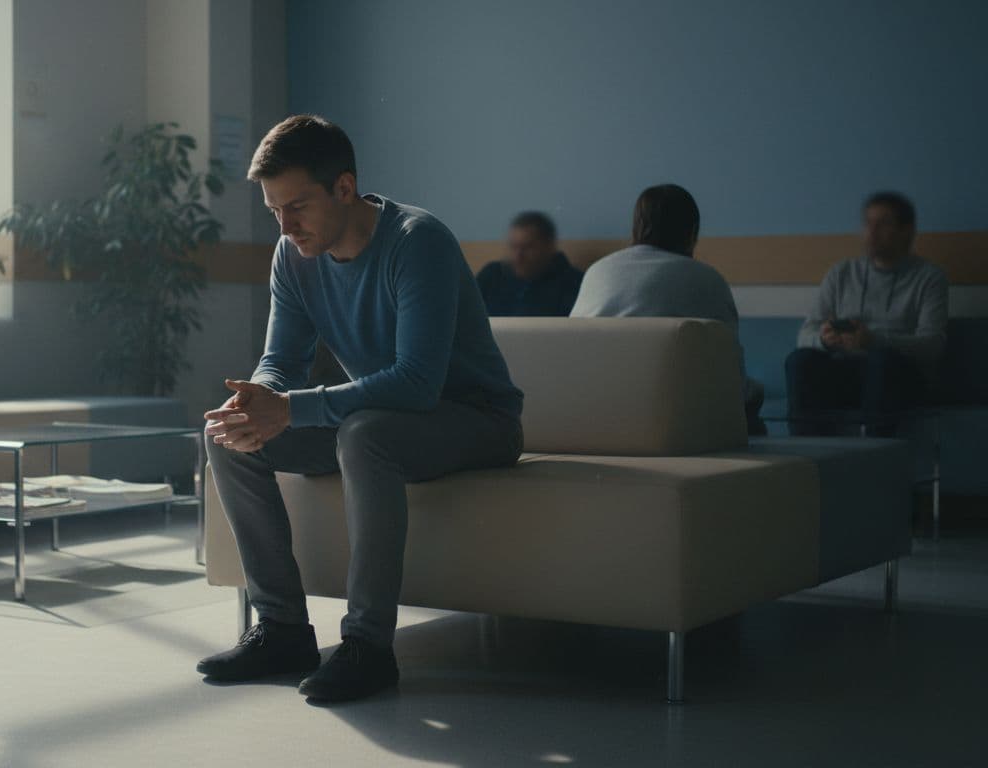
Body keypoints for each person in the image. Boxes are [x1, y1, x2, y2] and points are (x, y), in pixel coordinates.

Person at [196, 115, 524, 702]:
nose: (285, 225)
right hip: (385, 421)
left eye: (296, 206)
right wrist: (257, 399)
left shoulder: (417, 241)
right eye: (273, 211)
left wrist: (291, 409)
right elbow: (281, 362)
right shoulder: (293, 255)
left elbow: (418, 384)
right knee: (228, 432)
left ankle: (369, 646)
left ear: (343, 189)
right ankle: (282, 629)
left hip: (476, 420)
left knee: (363, 436)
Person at [571, 184, 766, 435]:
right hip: (679, 419)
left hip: (599, 412)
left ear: (636, 226)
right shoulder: (706, 280)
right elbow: (730, 375)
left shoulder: (598, 272)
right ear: (692, 231)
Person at [786, 192, 948, 436]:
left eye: (883, 224)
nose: (871, 232)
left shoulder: (929, 278)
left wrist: (874, 341)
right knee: (800, 360)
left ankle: (874, 453)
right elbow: (804, 334)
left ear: (906, 231)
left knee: (881, 360)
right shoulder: (841, 273)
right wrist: (823, 340)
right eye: (867, 223)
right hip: (847, 372)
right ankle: (808, 458)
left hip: (899, 376)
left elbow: (932, 345)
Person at [475, 211, 583, 316]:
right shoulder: (491, 276)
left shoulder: (573, 284)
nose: (518, 256)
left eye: (527, 247)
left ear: (549, 246)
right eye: (513, 247)